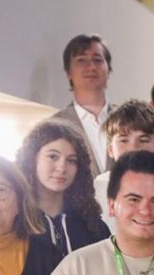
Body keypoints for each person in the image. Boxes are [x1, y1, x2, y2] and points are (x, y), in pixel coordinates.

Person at [16, 119, 109, 256]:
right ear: (32, 159)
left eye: (71, 160)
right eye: (53, 157)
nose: (62, 168)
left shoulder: (94, 226)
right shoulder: (15, 221)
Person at [93, 100, 154, 233]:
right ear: (110, 150)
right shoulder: (93, 192)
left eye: (143, 140)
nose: (133, 148)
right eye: (124, 140)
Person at [51, 34, 115, 176]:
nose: (91, 67)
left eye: (97, 60)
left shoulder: (128, 119)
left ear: (109, 70)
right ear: (68, 73)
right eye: (81, 60)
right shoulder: (55, 125)